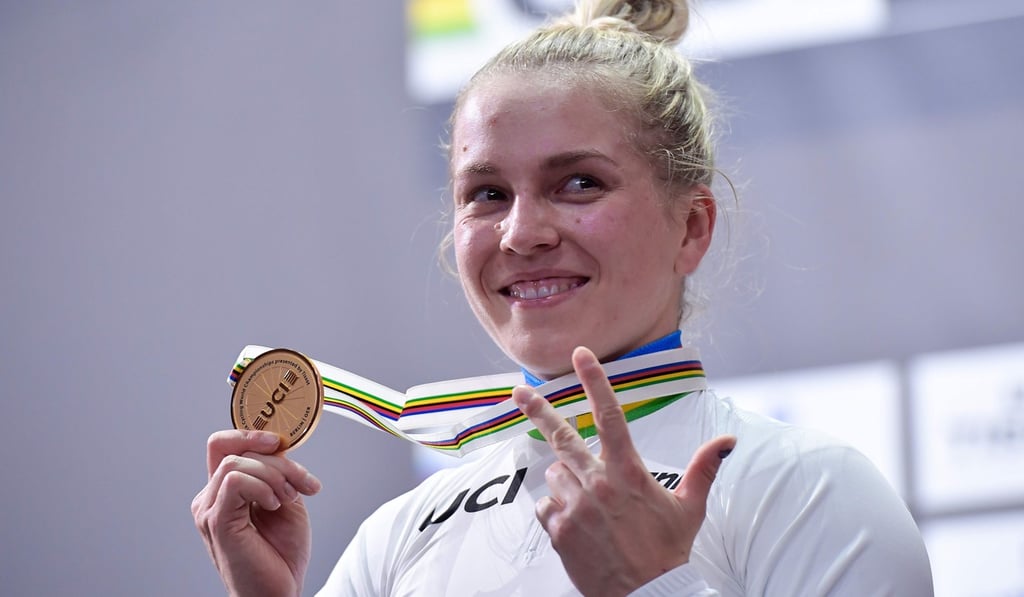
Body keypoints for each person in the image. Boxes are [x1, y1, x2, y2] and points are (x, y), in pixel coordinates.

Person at [192, 0, 934, 594]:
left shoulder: (805, 490)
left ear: (692, 226)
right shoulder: (398, 535)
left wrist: (653, 585)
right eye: (487, 194)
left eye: (579, 182)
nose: (521, 232)